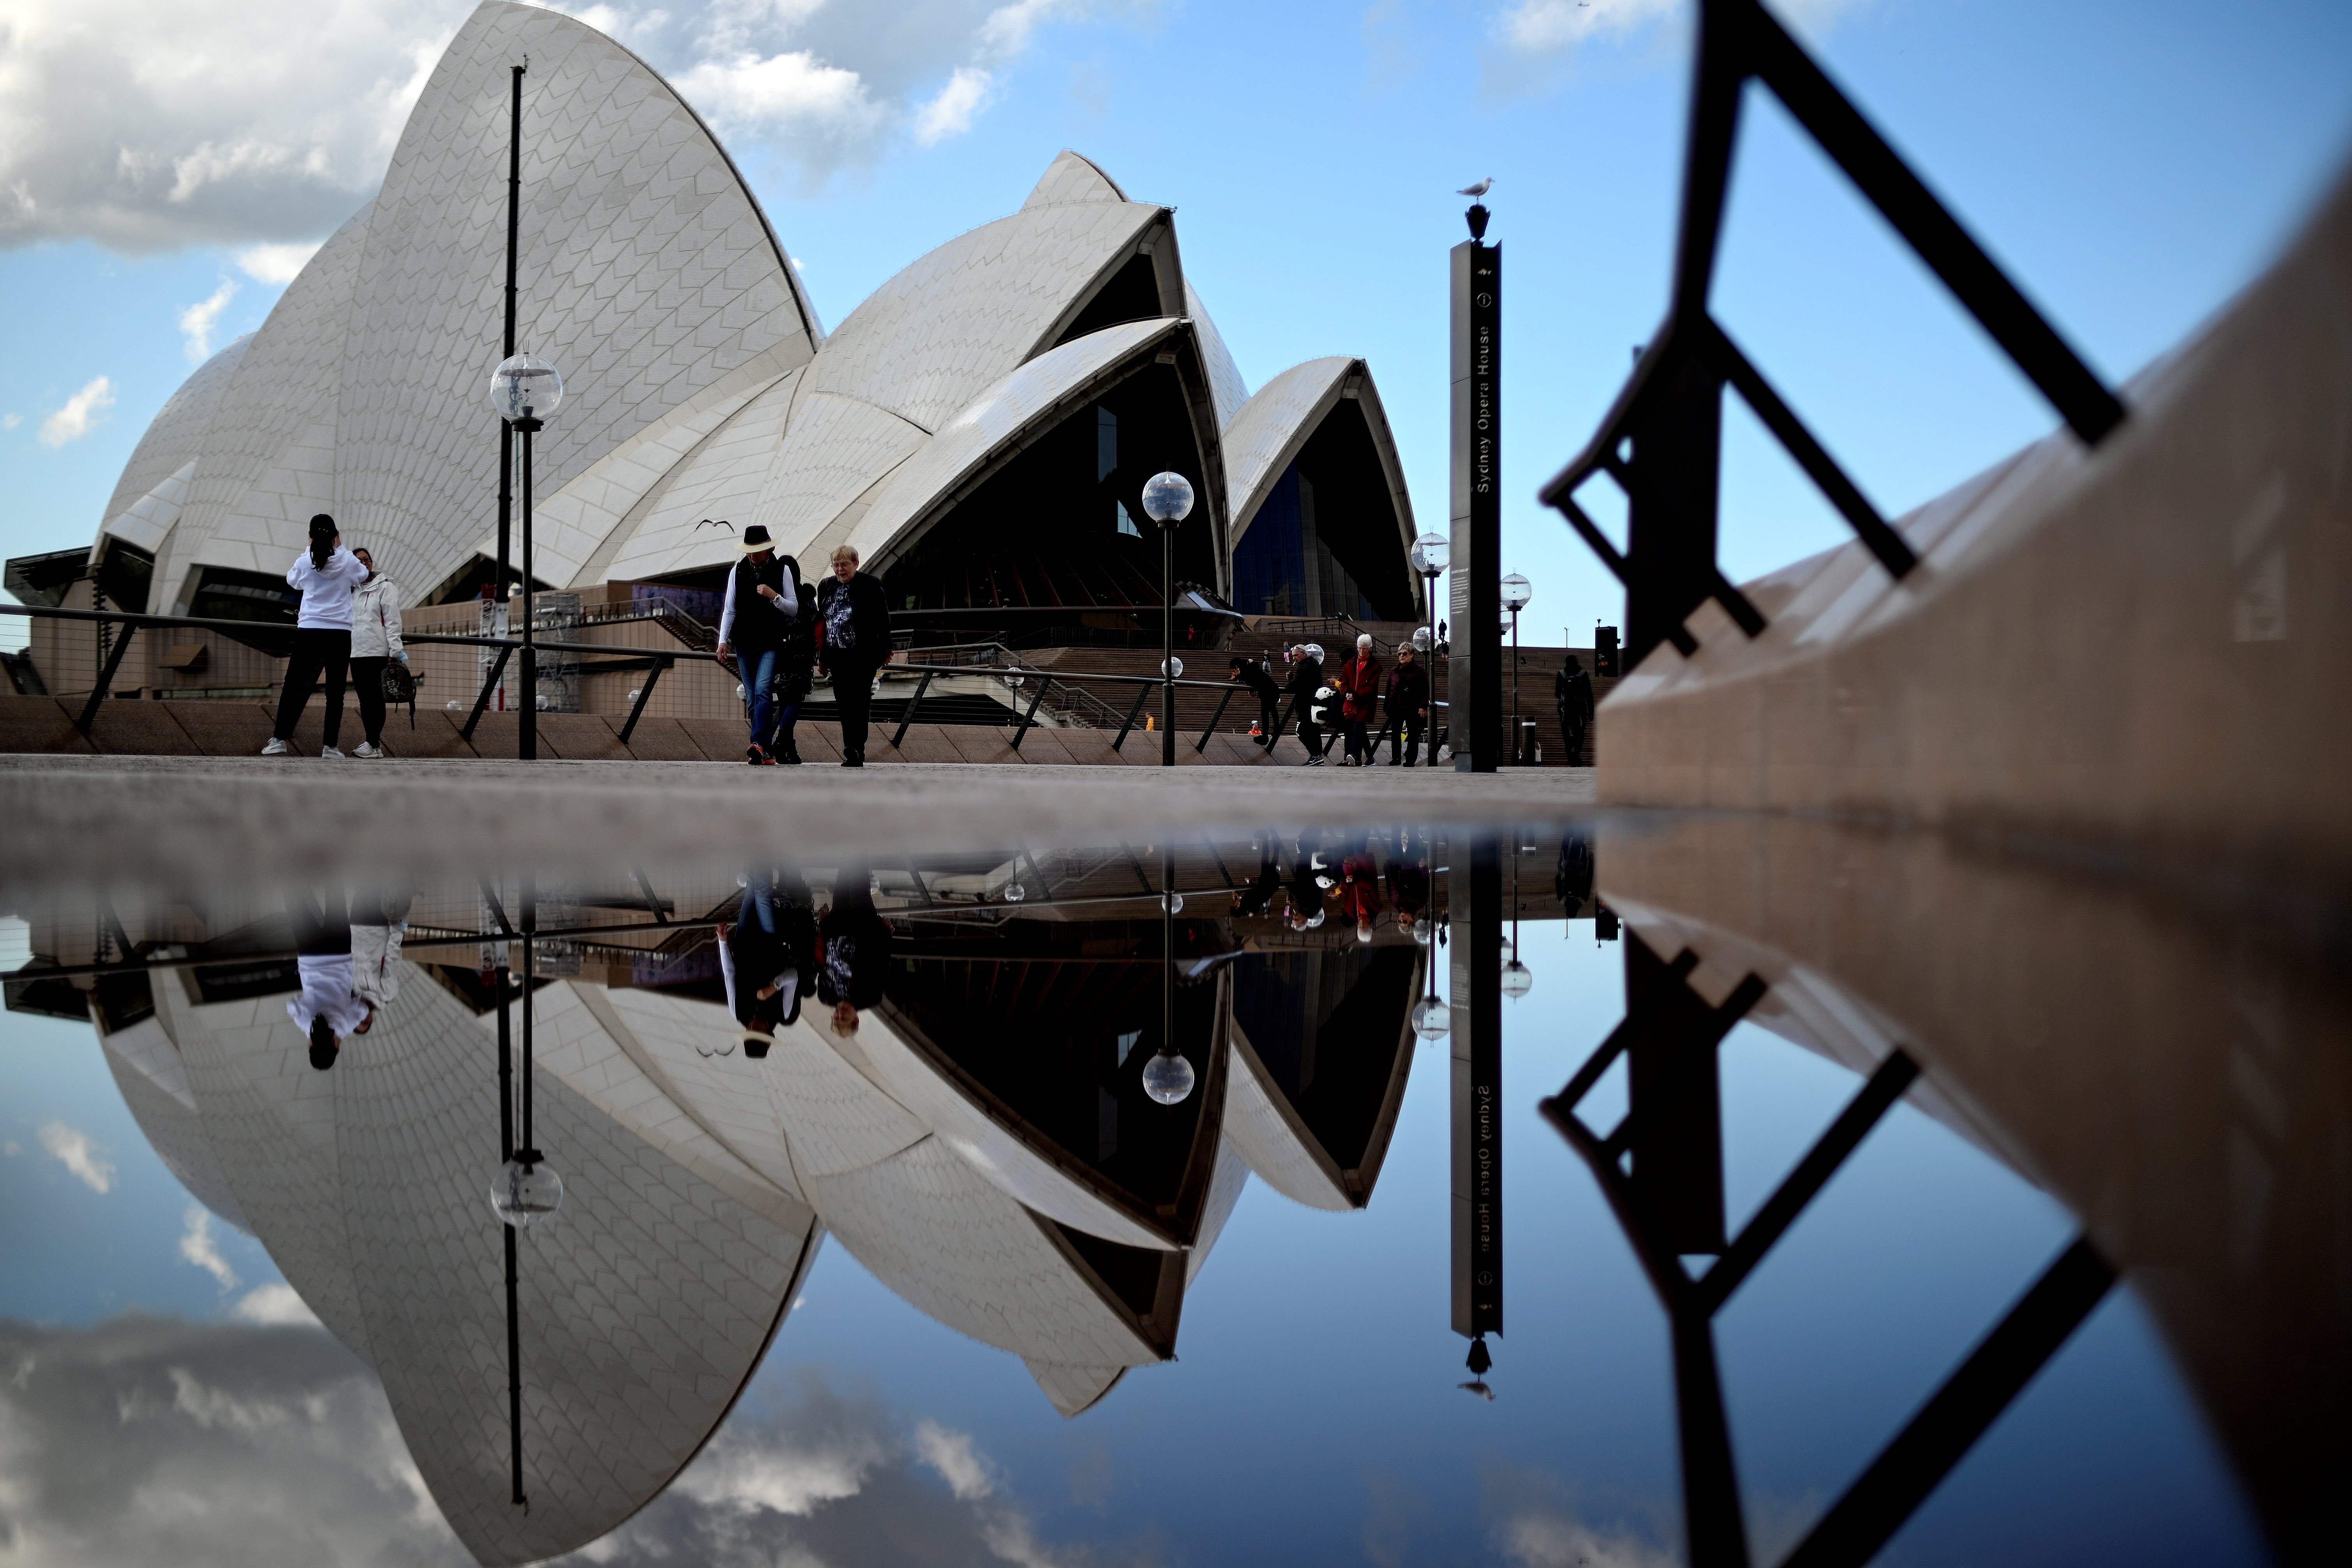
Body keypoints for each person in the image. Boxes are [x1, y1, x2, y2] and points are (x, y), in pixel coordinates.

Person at [263, 514, 370, 757]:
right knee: (335, 693)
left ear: (311, 537)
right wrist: (340, 548)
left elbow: (293, 582)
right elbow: (362, 576)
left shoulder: (306, 561)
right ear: (335, 536)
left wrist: (309, 548)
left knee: (293, 686)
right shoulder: (348, 561)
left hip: (310, 630)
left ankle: (279, 740)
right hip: (340, 633)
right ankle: (330, 746)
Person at [715, 523, 804, 765]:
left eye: (758, 550)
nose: (753, 555)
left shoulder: (782, 569)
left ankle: (759, 744)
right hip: (744, 642)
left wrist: (774, 597)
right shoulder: (738, 571)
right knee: (753, 697)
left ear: (770, 548)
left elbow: (794, 608)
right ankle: (764, 750)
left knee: (764, 690)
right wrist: (723, 641)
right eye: (749, 551)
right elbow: (730, 610)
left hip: (770, 641)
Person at [718, 871, 814, 1056]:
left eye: (750, 1032)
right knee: (762, 896)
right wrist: (775, 986)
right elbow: (794, 976)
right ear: (769, 1035)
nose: (752, 1027)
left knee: (751, 890)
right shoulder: (783, 1014)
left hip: (745, 942)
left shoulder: (737, 1011)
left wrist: (722, 942)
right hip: (771, 942)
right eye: (758, 1032)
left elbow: (730, 974)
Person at [816, 544, 892, 768]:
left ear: (856, 564)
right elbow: (823, 623)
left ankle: (857, 748)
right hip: (837, 654)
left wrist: (887, 649)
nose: (840, 569)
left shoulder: (870, 584)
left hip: (863, 654)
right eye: (836, 565)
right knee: (844, 702)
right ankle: (851, 746)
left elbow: (883, 619)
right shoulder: (826, 586)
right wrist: (822, 657)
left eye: (845, 564)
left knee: (859, 701)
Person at [287, 889, 371, 1070]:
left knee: (335, 895)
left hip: (339, 953)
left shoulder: (347, 1024)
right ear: (311, 1047)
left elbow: (364, 1009)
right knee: (294, 897)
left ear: (337, 1047)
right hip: (310, 955)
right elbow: (292, 1005)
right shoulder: (305, 1023)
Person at [817, 860, 893, 1035]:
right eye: (844, 1019)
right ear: (855, 1018)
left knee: (842, 882)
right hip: (864, 928)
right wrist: (885, 934)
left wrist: (822, 928)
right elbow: (882, 964)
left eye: (836, 1018)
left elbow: (821, 964)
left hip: (836, 927)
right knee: (859, 884)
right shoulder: (871, 998)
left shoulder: (826, 998)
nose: (839, 1015)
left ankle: (846, 848)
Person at [347, 546, 408, 759]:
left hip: (378, 652)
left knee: (376, 699)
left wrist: (395, 650)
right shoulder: (350, 589)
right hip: (356, 653)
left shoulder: (385, 588)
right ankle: (373, 745)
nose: (364, 564)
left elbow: (393, 621)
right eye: (359, 561)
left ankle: (372, 743)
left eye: (367, 560)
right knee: (365, 700)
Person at [1381, 641, 1431, 765]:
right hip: (1396, 707)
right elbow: (1389, 689)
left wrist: (1423, 706)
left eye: (1405, 653)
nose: (1402, 656)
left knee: (1413, 734)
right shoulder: (1394, 671)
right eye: (1400, 654)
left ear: (1412, 655)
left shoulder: (1419, 671)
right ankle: (1396, 758)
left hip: (1412, 707)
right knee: (1395, 733)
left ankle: (1410, 760)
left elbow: (1425, 690)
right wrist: (1387, 706)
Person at [1279, 643, 1326, 765]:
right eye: (1293, 656)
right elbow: (1305, 683)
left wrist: (1290, 682)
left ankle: (1315, 755)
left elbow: (1293, 687)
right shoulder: (1313, 666)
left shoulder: (1305, 667)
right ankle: (1317, 757)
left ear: (1304, 654)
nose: (1294, 658)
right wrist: (1294, 678)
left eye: (1296, 655)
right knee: (1314, 731)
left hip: (1306, 705)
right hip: (1315, 704)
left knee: (1301, 732)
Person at [1229, 654, 1282, 749]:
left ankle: (1267, 736)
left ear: (1237, 667)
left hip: (1267, 692)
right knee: (1271, 710)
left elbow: (1247, 679)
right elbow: (1254, 675)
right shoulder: (1250, 667)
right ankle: (1276, 729)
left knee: (1265, 714)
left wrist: (1249, 688)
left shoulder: (1245, 672)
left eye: (1234, 670)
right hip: (1273, 690)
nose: (1235, 672)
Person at [1556, 653, 1596, 766]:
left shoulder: (1561, 675)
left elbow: (1557, 694)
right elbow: (1589, 694)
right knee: (1580, 733)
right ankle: (1576, 752)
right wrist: (1591, 712)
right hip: (1580, 709)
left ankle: (1570, 755)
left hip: (1566, 709)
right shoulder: (1583, 674)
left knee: (1567, 734)